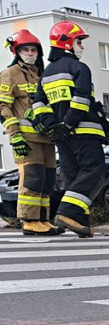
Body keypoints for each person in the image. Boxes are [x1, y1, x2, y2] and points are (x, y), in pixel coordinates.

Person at [31, 21, 109, 238]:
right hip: (84, 131)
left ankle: (79, 221)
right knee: (93, 171)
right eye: (79, 41)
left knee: (73, 177)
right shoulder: (79, 68)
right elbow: (81, 100)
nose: (81, 47)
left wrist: (53, 126)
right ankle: (68, 212)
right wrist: (68, 123)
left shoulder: (46, 73)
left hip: (61, 136)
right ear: (66, 43)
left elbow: (38, 104)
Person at [0, 29, 58, 236]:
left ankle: (43, 218)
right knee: (32, 178)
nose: (30, 53)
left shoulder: (41, 74)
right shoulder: (10, 74)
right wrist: (14, 134)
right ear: (17, 51)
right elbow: (3, 107)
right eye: (26, 49)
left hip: (46, 137)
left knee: (48, 178)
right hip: (25, 137)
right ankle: (29, 221)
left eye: (33, 49)